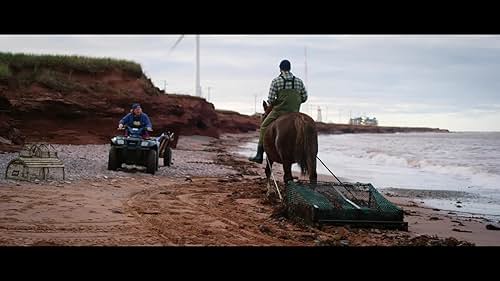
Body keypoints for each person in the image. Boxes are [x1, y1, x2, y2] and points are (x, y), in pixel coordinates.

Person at [248, 59, 308, 163]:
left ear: (280, 69)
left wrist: (278, 102)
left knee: (263, 126)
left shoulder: (276, 81)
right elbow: (304, 97)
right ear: (290, 68)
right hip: (294, 112)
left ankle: (259, 155)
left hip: (279, 112)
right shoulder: (299, 81)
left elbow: (271, 100)